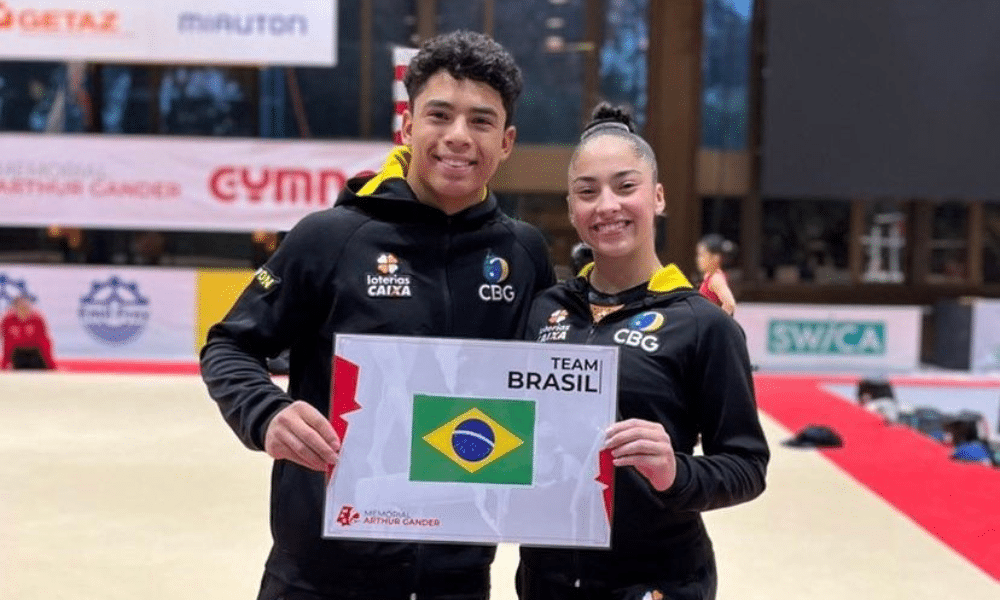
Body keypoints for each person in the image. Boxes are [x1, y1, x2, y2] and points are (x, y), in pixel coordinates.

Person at [200, 30, 555, 600]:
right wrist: (266, 413)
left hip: (457, 581)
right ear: (408, 126)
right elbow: (229, 345)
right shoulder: (330, 237)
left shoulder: (524, 254)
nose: (458, 136)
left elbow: (555, 378)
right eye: (439, 115)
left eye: (481, 121)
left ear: (507, 141)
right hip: (318, 577)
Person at [517, 104, 769, 600]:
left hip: (656, 581)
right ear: (571, 208)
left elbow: (747, 466)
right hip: (546, 581)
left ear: (657, 196)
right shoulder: (544, 309)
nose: (606, 205)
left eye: (625, 186)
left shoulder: (703, 324)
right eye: (587, 192)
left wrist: (675, 471)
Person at [1, 294, 57, 370]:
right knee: (19, 365)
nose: (24, 311)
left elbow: (44, 342)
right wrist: (4, 365)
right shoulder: (8, 320)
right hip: (18, 354)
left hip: (35, 353)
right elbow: (7, 343)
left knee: (36, 365)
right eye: (21, 308)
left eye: (26, 308)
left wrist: (51, 365)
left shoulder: (37, 319)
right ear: (15, 309)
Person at [695, 233, 737, 316]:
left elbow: (730, 304)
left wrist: (716, 322)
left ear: (715, 257)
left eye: (702, 255)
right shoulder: (709, 276)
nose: (698, 259)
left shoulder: (716, 278)